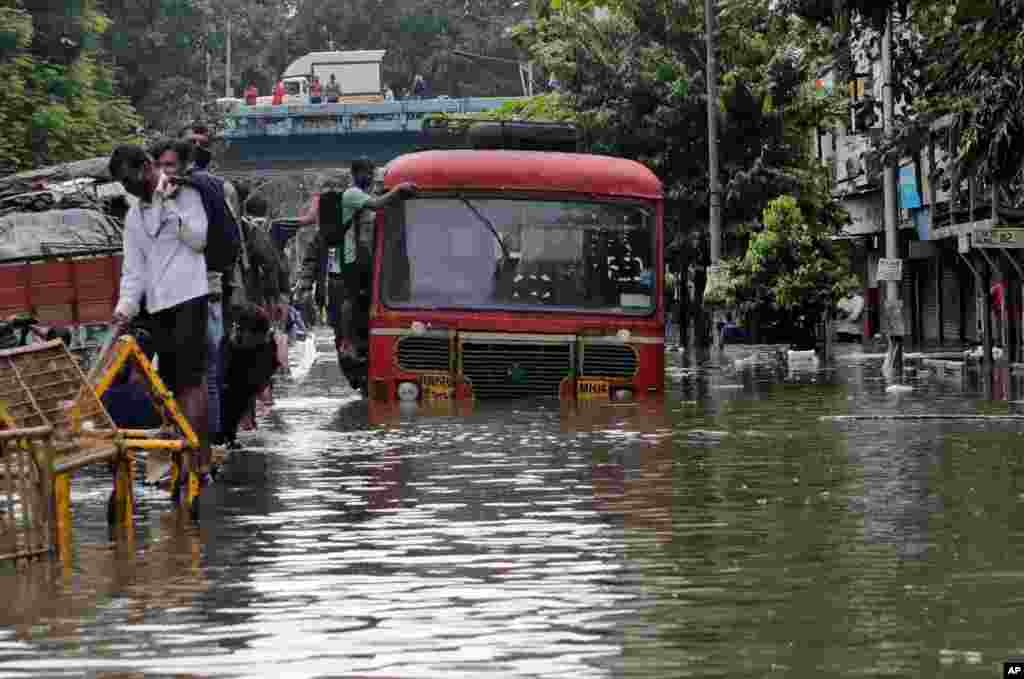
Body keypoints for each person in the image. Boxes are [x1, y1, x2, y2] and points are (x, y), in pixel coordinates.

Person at [108, 144, 211, 475]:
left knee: (190, 382)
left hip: (189, 297)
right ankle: (179, 455)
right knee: (165, 384)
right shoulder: (135, 214)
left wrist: (169, 208)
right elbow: (134, 269)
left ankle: (200, 458)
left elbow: (199, 240)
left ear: (146, 167)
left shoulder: (186, 196)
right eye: (123, 184)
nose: (128, 188)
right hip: (157, 306)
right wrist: (124, 307)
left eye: (129, 180)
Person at [295, 160, 417, 382]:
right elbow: (378, 203)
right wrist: (305, 285)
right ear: (357, 174)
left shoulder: (365, 204)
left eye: (373, 175)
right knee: (349, 306)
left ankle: (360, 358)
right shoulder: (353, 197)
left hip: (365, 267)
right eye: (368, 174)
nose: (371, 178)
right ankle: (348, 347)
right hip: (346, 269)